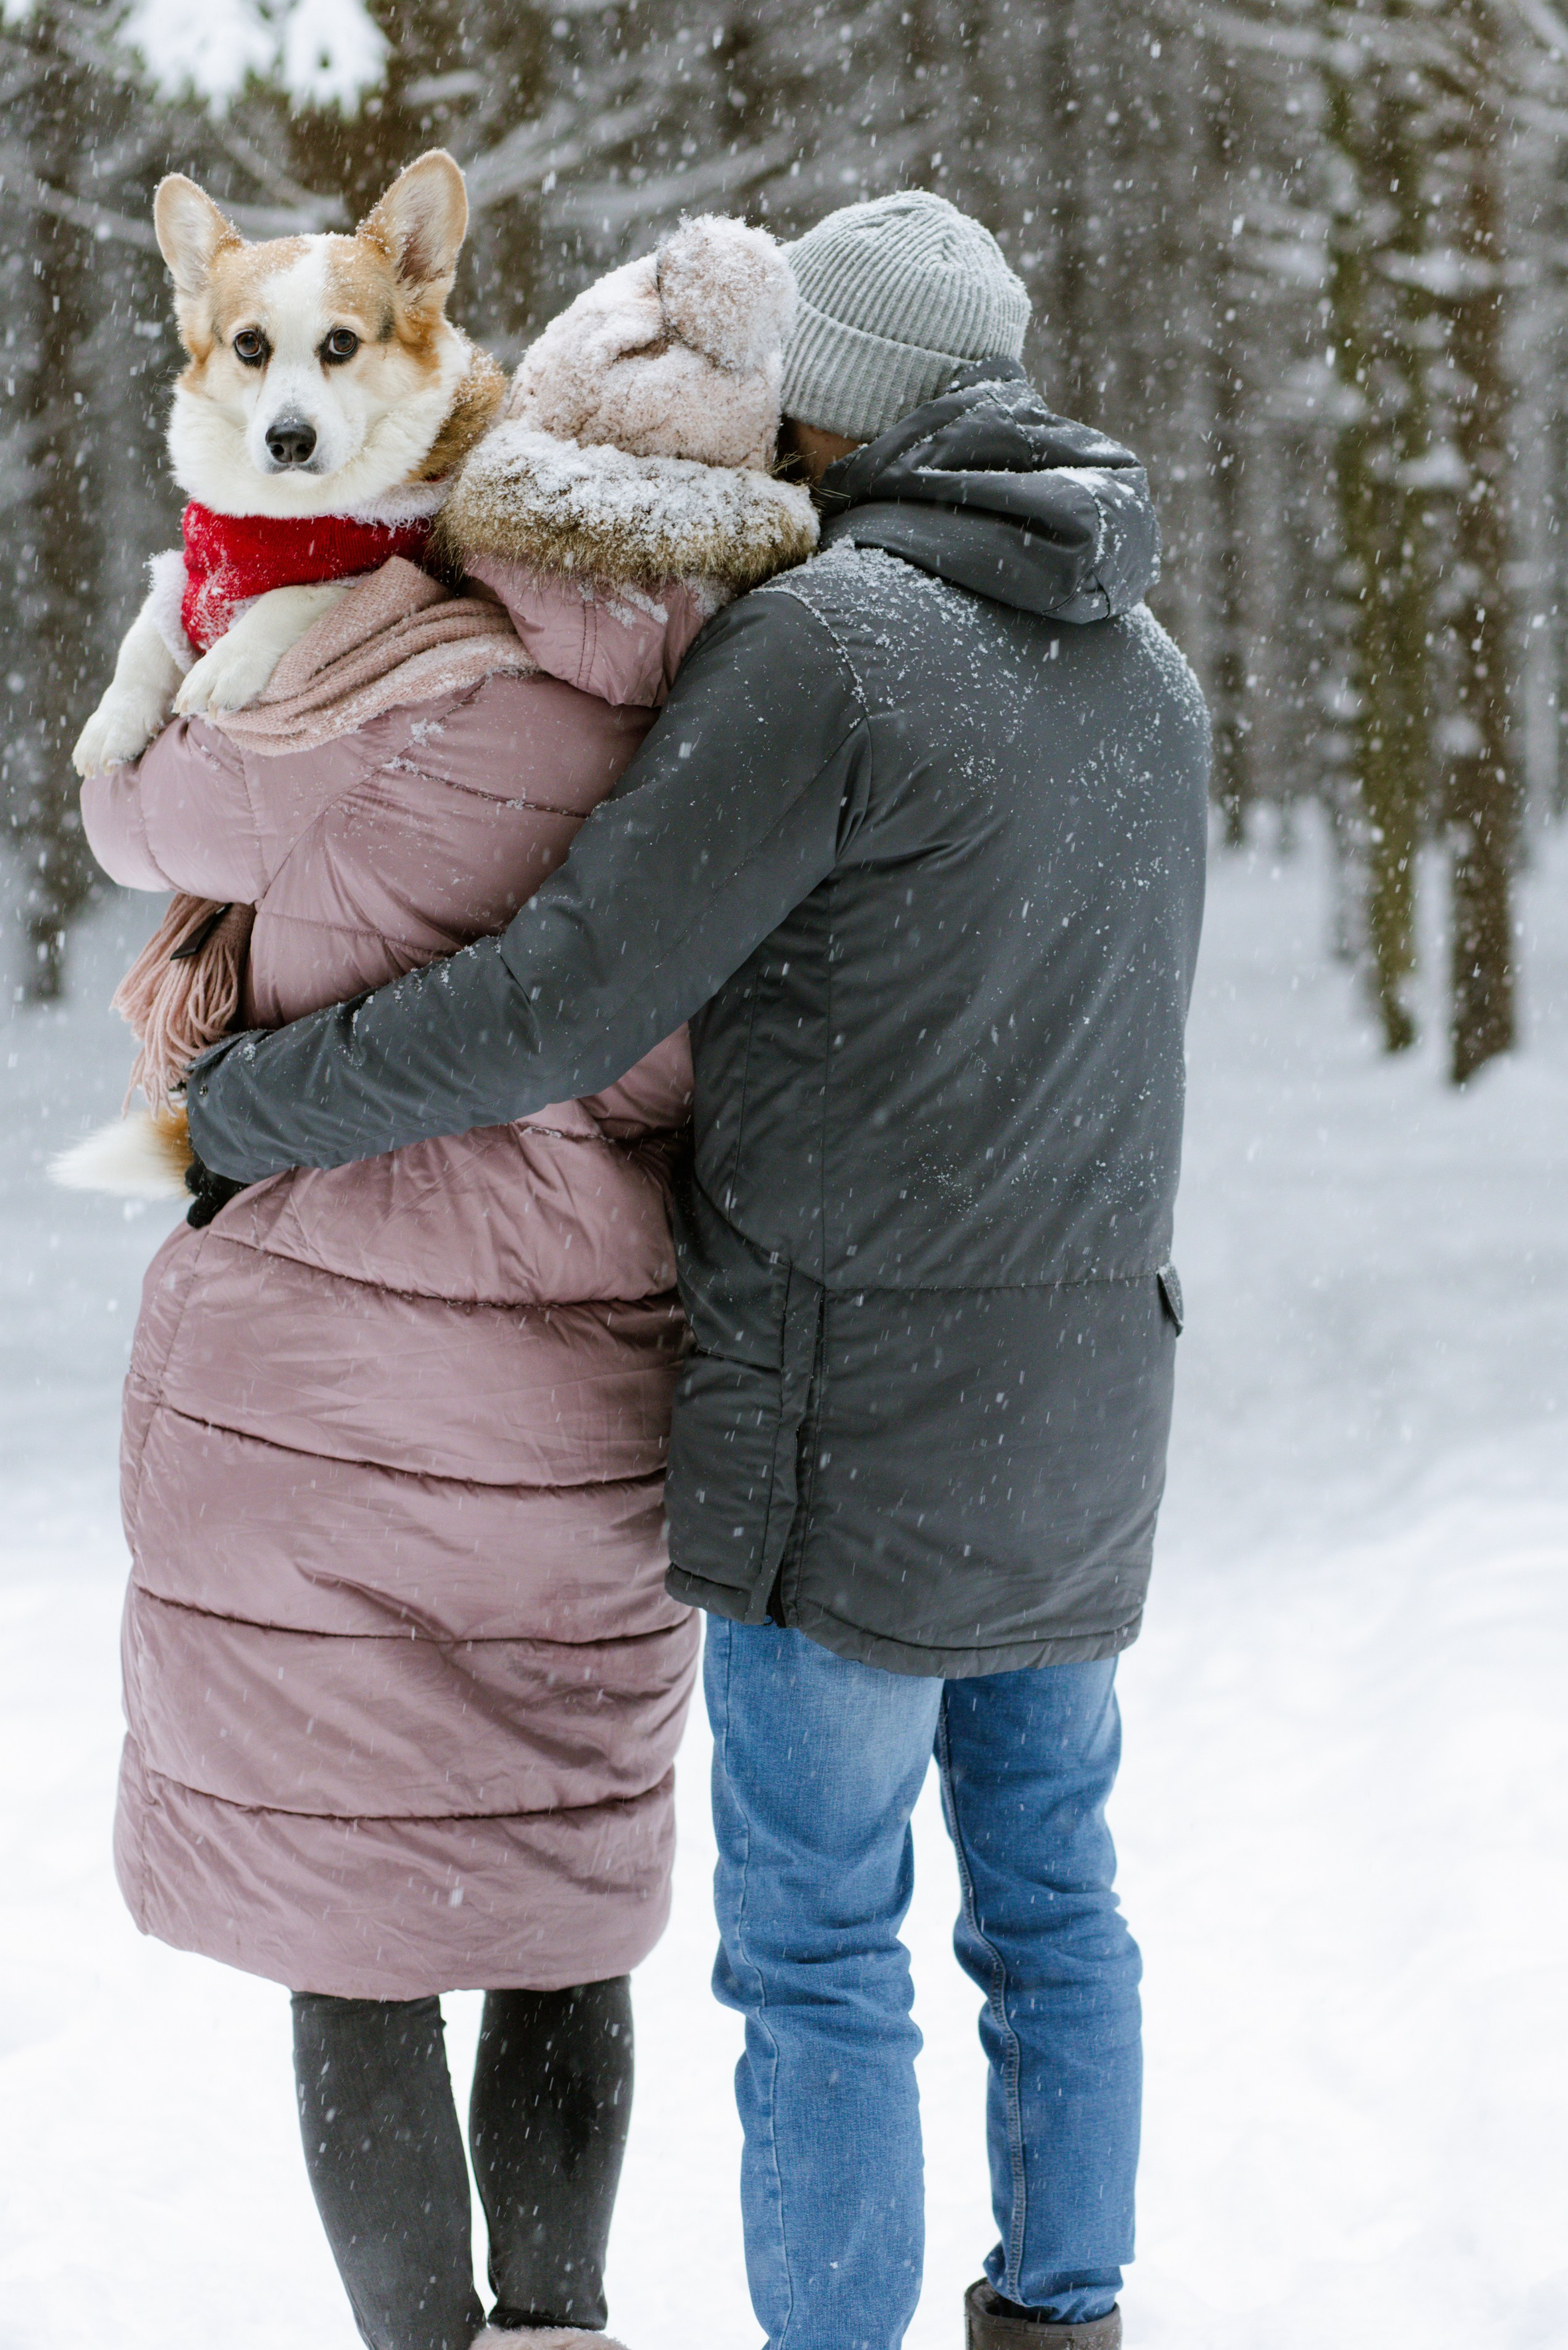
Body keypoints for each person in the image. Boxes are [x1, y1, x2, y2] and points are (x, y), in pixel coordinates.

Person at [183, 190, 1212, 2350]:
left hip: (850, 1415)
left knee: (824, 1943)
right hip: (1091, 1405)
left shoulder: (831, 649)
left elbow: (566, 994)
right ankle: (1068, 2316)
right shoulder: (1154, 674)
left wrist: (255, 1104)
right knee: (1057, 1906)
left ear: (819, 407)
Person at [79, 216, 817, 2350]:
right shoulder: (735, 726)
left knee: (362, 1922)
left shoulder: (383, 676)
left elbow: (142, 814)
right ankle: (559, 2325)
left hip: (322, 1388)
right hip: (592, 1396)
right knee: (558, 1902)